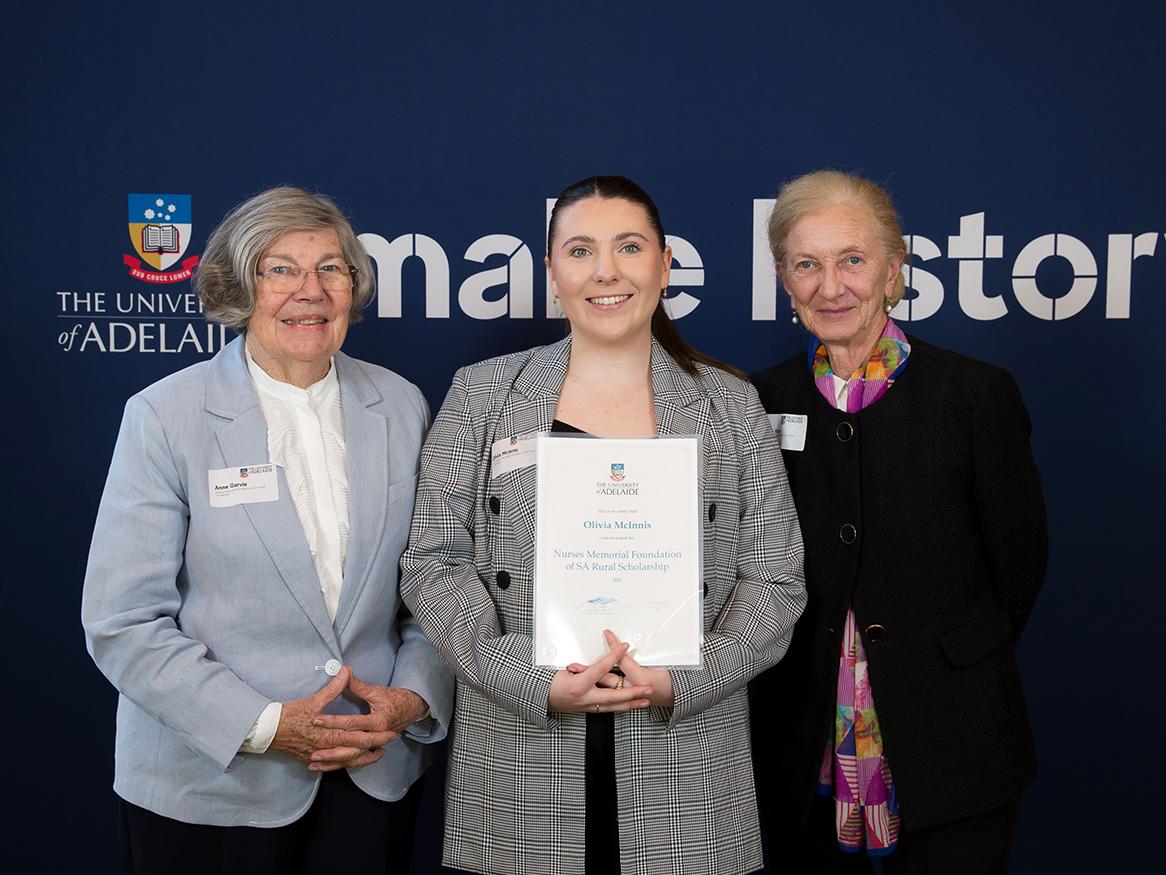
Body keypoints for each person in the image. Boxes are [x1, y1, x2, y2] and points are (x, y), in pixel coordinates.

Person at [399, 175, 806, 875]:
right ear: (552, 271)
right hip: (520, 760)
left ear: (665, 262)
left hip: (688, 763)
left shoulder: (732, 406)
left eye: (628, 247)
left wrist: (683, 679)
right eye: (581, 250)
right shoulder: (482, 393)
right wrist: (529, 678)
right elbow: (433, 563)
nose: (606, 271)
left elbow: (774, 579)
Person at [81, 186, 454, 875]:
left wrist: (412, 696)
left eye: (331, 268)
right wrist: (264, 725)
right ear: (238, 286)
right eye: (280, 268)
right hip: (209, 785)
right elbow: (121, 619)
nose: (309, 290)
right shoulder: (165, 415)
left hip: (369, 775)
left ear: (354, 285)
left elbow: (434, 580)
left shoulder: (401, 406)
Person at [750, 170, 1047, 874]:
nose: (831, 286)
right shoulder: (761, 398)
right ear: (783, 279)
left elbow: (1019, 566)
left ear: (893, 269)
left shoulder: (974, 396)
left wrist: (939, 660)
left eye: (852, 260)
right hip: (803, 735)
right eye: (807, 264)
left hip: (955, 735)